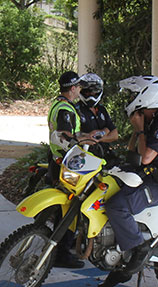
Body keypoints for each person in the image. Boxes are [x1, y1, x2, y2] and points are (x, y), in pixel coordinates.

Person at [99, 75, 158, 287]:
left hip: (157, 182)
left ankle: (138, 248)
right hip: (142, 174)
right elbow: (131, 151)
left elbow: (145, 157)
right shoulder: (151, 120)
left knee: (117, 205)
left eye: (134, 95)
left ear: (146, 97)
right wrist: (137, 130)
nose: (131, 98)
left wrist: (141, 130)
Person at [47, 71, 87, 269]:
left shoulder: (58, 103)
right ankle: (63, 252)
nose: (80, 90)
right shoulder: (66, 109)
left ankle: (60, 248)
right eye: (78, 87)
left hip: (57, 162)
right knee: (71, 209)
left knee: (64, 208)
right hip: (66, 164)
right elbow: (64, 136)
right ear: (73, 88)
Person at [76, 73, 119, 158]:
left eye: (94, 92)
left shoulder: (102, 110)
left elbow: (114, 134)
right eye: (87, 92)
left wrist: (99, 138)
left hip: (104, 154)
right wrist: (88, 136)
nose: (91, 95)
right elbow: (73, 136)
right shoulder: (76, 110)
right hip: (83, 156)